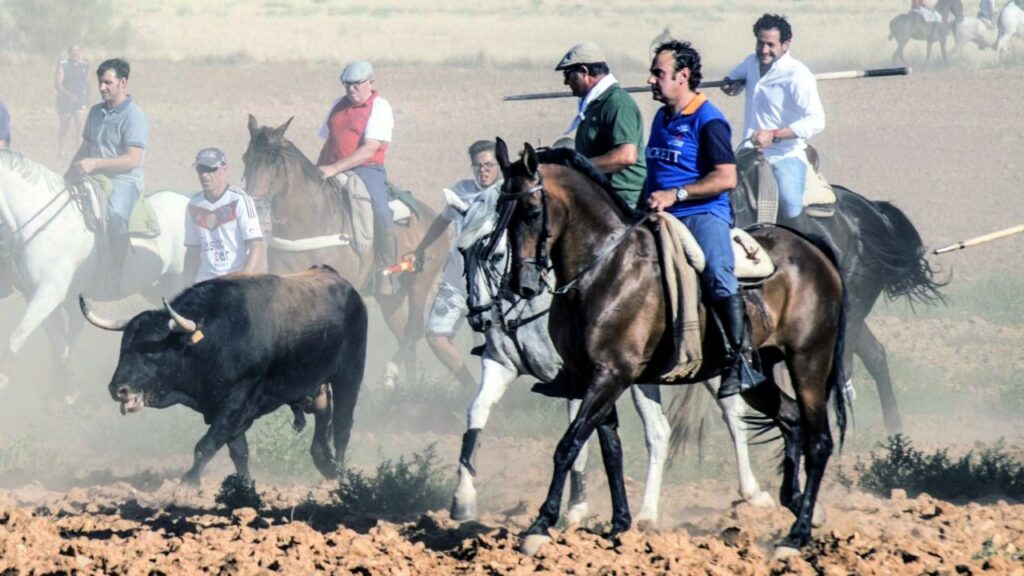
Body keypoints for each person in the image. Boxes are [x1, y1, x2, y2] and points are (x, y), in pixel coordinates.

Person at [644, 40, 764, 399]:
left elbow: (726, 177)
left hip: (701, 213)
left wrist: (677, 194)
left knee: (715, 269)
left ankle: (741, 360)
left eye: (658, 73)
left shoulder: (708, 119)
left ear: (683, 76)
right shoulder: (662, 117)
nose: (651, 80)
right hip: (659, 214)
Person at [406, 140, 503, 389]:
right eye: (478, 166)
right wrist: (419, 250)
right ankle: (470, 387)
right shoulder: (460, 190)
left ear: (500, 165)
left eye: (489, 165)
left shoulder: (508, 193)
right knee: (435, 336)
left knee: (490, 348)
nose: (483, 170)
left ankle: (493, 397)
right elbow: (442, 222)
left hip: (492, 289)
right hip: (456, 283)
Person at [721, 13, 825, 224]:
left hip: (784, 155)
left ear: (786, 44)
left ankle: (804, 248)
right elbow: (733, 81)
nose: (764, 50)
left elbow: (816, 120)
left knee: (790, 204)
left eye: (771, 45)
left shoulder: (797, 75)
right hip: (747, 151)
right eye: (760, 43)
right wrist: (730, 84)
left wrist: (775, 135)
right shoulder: (751, 62)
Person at [68, 57, 148, 291]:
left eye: (107, 83)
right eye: (100, 82)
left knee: (115, 218)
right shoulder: (95, 111)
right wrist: (69, 174)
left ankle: (115, 273)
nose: (102, 87)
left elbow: (132, 160)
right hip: (93, 174)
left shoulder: (134, 116)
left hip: (124, 180)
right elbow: (85, 148)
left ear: (123, 82)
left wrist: (96, 164)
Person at [316, 60, 397, 293]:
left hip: (367, 170)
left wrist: (334, 169)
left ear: (371, 82)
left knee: (381, 211)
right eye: (347, 85)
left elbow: (370, 149)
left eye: (356, 84)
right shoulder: (337, 105)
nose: (351, 89)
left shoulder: (380, 107)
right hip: (331, 164)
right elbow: (329, 140)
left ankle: (385, 271)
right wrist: (318, 167)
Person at [554, 42, 646, 206]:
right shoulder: (596, 103)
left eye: (568, 74)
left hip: (622, 201)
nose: (566, 82)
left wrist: (577, 165)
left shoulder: (617, 103)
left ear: (584, 71)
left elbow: (626, 156)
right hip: (601, 195)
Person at [184, 147, 265, 283]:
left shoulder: (240, 199)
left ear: (225, 169)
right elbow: (192, 251)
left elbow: (256, 246)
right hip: (204, 282)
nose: (205, 175)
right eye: (201, 169)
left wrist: (242, 282)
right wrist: (185, 287)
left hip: (234, 279)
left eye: (211, 170)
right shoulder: (193, 205)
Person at [56, 45, 90, 159]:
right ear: (69, 52)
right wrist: (69, 95)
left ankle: (78, 150)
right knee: (65, 126)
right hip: (65, 101)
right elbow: (58, 85)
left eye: (78, 51)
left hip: (80, 100)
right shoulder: (63, 65)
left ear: (81, 52)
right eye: (73, 51)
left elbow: (88, 83)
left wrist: (88, 97)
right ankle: (61, 148)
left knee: (80, 125)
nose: (76, 53)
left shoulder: (85, 65)